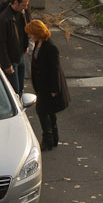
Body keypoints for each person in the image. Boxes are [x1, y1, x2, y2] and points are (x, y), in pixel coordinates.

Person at [26, 19, 69, 148]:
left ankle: (48, 139)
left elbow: (54, 70)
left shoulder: (50, 48)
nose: (30, 36)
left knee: (42, 111)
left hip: (48, 87)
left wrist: (54, 89)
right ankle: (53, 138)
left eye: (31, 34)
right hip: (42, 86)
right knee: (49, 112)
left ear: (38, 33)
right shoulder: (39, 44)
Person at [0, 0, 30, 95]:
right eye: (23, 5)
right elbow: (0, 44)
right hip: (11, 60)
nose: (26, 7)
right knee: (14, 91)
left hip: (20, 55)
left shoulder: (21, 13)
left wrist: (25, 46)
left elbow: (23, 33)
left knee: (21, 88)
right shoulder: (4, 19)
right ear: (15, 3)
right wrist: (6, 64)